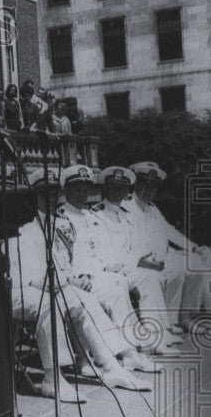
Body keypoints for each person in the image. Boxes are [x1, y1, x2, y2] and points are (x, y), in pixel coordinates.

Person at [10, 170, 151, 403]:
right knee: (49, 305)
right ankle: (52, 379)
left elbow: (61, 263)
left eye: (55, 192)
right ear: (35, 195)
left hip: (47, 284)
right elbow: (20, 268)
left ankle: (111, 366)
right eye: (46, 193)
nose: (52, 198)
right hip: (19, 286)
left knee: (86, 300)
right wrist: (51, 282)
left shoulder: (54, 222)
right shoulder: (22, 223)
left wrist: (66, 280)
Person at [56, 165, 172, 360]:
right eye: (76, 189)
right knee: (117, 285)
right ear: (66, 190)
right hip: (86, 275)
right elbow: (74, 256)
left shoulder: (88, 216)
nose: (81, 194)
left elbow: (99, 250)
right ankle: (132, 349)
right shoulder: (62, 218)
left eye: (85, 189)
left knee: (147, 278)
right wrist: (95, 271)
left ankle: (151, 340)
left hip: (101, 270)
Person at [125, 161, 211, 330]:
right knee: (178, 269)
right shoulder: (126, 205)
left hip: (164, 255)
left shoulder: (152, 208)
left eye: (153, 186)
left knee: (199, 263)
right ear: (136, 184)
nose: (149, 190)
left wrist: (194, 248)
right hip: (143, 260)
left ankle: (187, 316)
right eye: (145, 184)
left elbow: (169, 231)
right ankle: (171, 322)